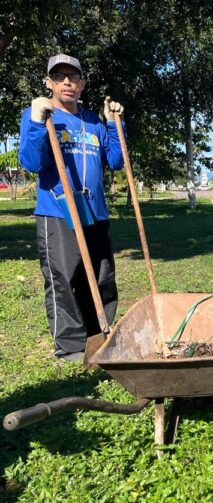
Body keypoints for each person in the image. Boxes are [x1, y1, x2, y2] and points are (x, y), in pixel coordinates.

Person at [19, 54, 125, 362]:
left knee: (102, 277)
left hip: (95, 212)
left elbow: (116, 161)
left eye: (74, 77)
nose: (67, 82)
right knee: (64, 278)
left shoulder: (92, 120)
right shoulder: (40, 114)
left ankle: (100, 335)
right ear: (48, 82)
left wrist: (114, 124)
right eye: (60, 76)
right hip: (57, 211)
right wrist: (38, 120)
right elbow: (32, 162)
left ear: (82, 83)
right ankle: (70, 347)